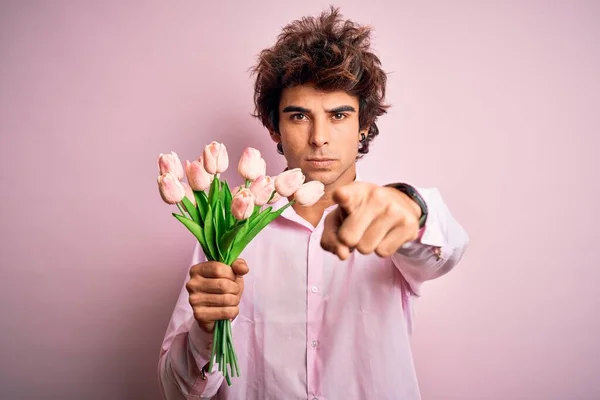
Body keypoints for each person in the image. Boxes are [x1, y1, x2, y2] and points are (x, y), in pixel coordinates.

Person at [158, 6, 469, 400]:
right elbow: (176, 391)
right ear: (275, 127)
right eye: (299, 116)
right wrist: (205, 330)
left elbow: (445, 248)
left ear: (364, 127)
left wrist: (413, 208)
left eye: (339, 115)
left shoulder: (388, 218)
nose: (319, 137)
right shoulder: (227, 231)